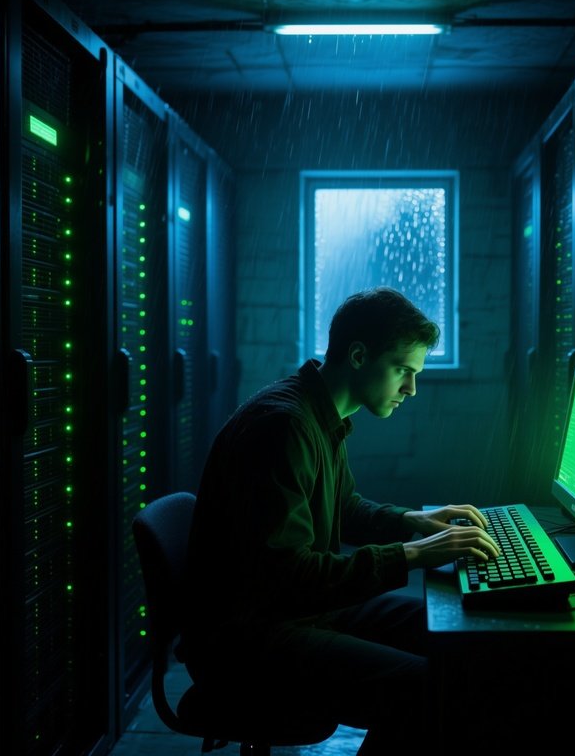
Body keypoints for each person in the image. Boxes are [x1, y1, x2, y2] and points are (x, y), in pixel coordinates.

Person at [182, 286, 500, 754]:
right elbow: (289, 575)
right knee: (427, 690)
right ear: (358, 356)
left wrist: (414, 521)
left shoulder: (318, 412)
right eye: (403, 370)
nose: (411, 389)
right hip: (249, 640)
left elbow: (344, 506)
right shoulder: (285, 427)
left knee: (457, 634)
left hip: (294, 612)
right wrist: (413, 554)